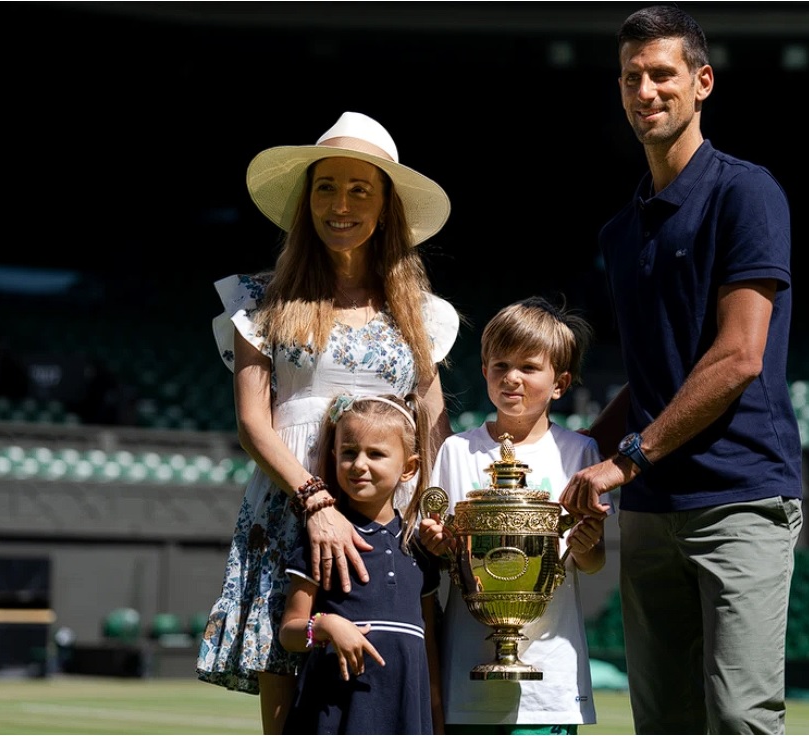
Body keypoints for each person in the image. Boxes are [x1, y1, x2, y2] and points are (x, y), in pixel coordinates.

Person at [558, 6, 804, 734]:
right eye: (632, 77)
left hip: (740, 500)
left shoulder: (745, 194)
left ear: (701, 83)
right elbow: (655, 379)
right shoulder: (621, 231)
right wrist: (563, 455)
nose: (646, 90)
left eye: (662, 74)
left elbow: (738, 356)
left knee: (738, 716)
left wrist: (627, 456)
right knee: (663, 723)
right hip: (653, 511)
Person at [196, 111, 459, 733]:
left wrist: (435, 511)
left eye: (360, 189)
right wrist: (315, 500)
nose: (340, 204)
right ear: (305, 200)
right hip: (292, 511)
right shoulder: (260, 301)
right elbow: (253, 423)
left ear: (386, 207)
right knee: (293, 708)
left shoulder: (420, 315)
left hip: (385, 526)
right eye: (326, 187)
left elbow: (435, 423)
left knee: (389, 694)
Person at [420, 296, 610, 734]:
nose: (512, 378)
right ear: (484, 370)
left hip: (551, 679)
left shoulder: (580, 453)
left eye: (529, 367)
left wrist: (584, 547)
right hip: (467, 672)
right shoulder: (457, 450)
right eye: (500, 365)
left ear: (559, 382)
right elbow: (450, 560)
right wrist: (439, 544)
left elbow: (593, 560)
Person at [279, 393, 444, 734]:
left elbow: (428, 647)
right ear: (334, 455)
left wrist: (436, 720)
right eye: (349, 452)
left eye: (377, 454)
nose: (359, 465)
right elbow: (290, 632)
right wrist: (325, 626)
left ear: (408, 467)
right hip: (336, 709)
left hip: (404, 713)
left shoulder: (420, 546)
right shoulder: (322, 537)